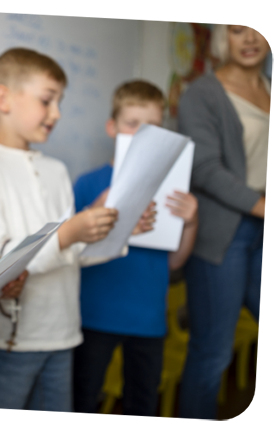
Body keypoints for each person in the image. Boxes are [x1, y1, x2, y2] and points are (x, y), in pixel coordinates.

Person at [0, 48, 153, 421]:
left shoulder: (58, 170)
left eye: (60, 101)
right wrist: (67, 234)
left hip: (63, 334)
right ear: (4, 98)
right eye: (47, 100)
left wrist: (116, 228)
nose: (57, 113)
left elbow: (73, 252)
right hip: (10, 342)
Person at [72, 80, 198, 421]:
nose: (142, 135)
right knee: (82, 399)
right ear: (112, 128)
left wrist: (190, 224)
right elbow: (69, 252)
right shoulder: (87, 184)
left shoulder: (172, 191)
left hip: (148, 319)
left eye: (153, 128)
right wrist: (96, 213)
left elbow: (176, 262)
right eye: (132, 124)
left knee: (142, 406)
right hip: (94, 315)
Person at [177, 19, 274, 421]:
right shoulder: (202, 94)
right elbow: (204, 169)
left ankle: (198, 309)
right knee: (213, 352)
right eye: (237, 29)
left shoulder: (270, 90)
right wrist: (264, 206)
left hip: (268, 231)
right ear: (222, 37)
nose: (249, 38)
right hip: (223, 234)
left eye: (258, 28)